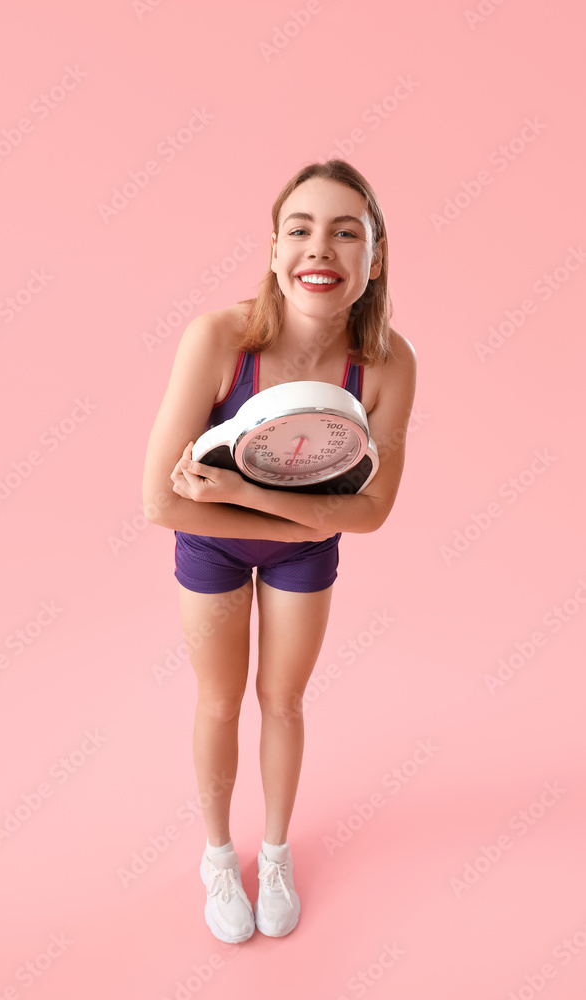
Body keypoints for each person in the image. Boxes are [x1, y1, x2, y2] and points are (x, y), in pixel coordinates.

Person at [142, 159, 417, 943]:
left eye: (344, 232)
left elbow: (370, 514)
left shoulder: (389, 364)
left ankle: (274, 852)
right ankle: (219, 856)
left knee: (283, 702)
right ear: (272, 251)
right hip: (214, 549)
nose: (318, 249)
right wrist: (303, 520)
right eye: (298, 230)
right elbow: (159, 500)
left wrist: (240, 496)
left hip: (283, 541)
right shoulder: (220, 339)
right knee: (220, 701)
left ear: (374, 256)